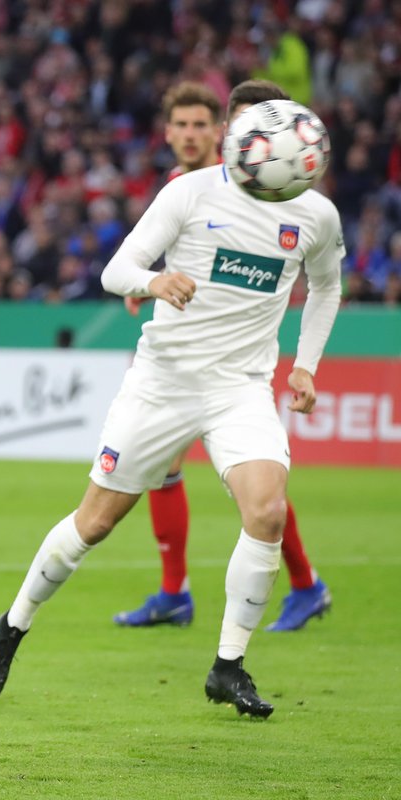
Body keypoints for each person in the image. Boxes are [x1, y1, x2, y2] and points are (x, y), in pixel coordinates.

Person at [0, 81, 345, 718]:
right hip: (162, 384)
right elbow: (114, 272)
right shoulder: (189, 192)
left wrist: (306, 367)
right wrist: (155, 281)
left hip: (240, 389)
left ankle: (228, 665)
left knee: (268, 513)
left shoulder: (316, 216)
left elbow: (327, 287)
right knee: (95, 522)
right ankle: (13, 625)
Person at [115, 81, 333, 632]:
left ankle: (299, 583)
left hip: (233, 362)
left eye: (201, 126)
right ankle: (176, 592)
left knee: (259, 490)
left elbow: (302, 271)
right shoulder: (182, 185)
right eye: (180, 126)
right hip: (180, 347)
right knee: (168, 466)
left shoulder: (258, 183)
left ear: (222, 132)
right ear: (167, 132)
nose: (190, 135)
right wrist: (146, 281)